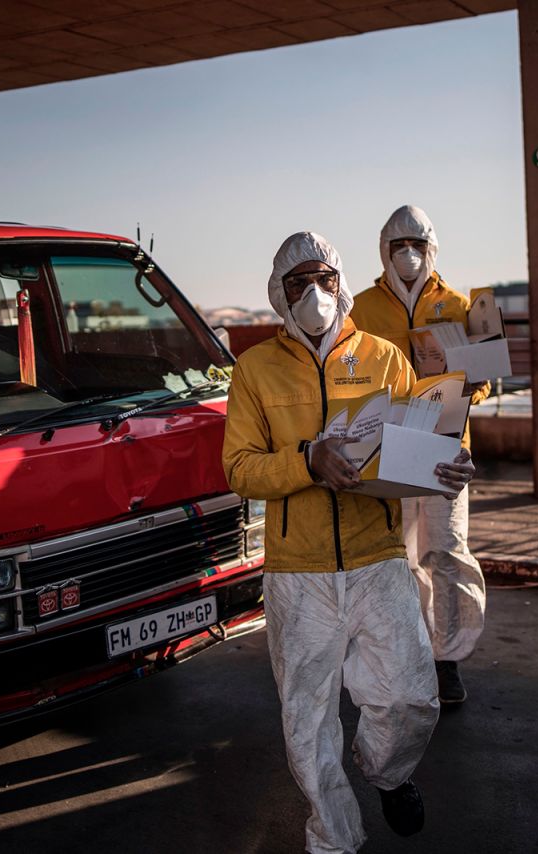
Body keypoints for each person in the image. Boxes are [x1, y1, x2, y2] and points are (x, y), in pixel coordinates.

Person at [223, 232, 474, 854]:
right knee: (307, 724)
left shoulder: (386, 357)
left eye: (324, 279)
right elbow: (239, 468)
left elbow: (421, 440)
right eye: (298, 282)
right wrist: (307, 461)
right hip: (297, 572)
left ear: (342, 283)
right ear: (279, 295)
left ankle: (388, 773)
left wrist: (448, 462)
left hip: (378, 557)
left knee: (413, 697)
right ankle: (333, 835)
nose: (314, 293)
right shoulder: (255, 370)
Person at [349, 205, 488, 705]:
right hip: (390, 447)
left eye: (417, 245)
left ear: (432, 248)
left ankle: (447, 657)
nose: (408, 255)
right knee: (400, 556)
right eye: (397, 245)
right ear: (383, 251)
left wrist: (475, 382)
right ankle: (410, 652)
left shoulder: (459, 303)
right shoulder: (360, 307)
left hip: (447, 448)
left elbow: (486, 379)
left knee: (446, 551)